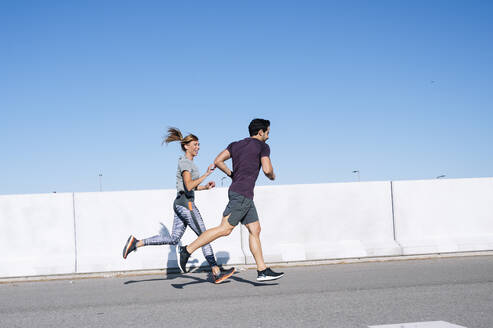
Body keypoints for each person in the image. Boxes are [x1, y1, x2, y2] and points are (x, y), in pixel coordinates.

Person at [122, 127, 235, 284]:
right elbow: (188, 186)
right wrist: (206, 175)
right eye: (195, 144)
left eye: (198, 144)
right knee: (204, 235)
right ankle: (216, 271)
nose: (198, 147)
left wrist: (204, 187)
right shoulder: (185, 163)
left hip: (180, 203)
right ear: (186, 146)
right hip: (186, 205)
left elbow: (190, 187)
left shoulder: (188, 163)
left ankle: (136, 242)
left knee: (174, 238)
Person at [178, 119, 284, 281]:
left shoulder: (236, 145)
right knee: (225, 229)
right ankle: (187, 249)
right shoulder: (263, 146)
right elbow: (267, 170)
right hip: (242, 194)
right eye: (267, 132)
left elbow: (218, 160)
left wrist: (232, 174)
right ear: (261, 132)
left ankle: (262, 270)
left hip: (242, 193)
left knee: (255, 229)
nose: (268, 136)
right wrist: (272, 175)